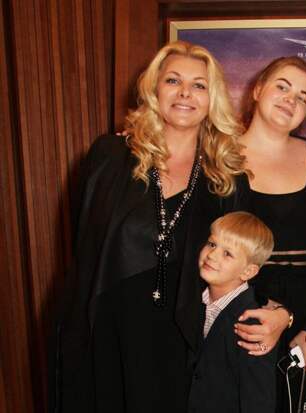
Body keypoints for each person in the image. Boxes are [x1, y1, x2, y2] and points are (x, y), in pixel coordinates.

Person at [53, 41, 288, 413]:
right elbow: (84, 252)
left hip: (186, 345)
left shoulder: (227, 178)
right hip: (110, 336)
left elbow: (247, 263)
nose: (185, 93)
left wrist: (282, 314)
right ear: (154, 89)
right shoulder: (110, 156)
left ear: (212, 99)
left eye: (199, 85)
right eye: (173, 80)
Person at [233, 56, 306, 412]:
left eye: (302, 97)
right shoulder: (221, 155)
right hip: (241, 310)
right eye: (282, 87)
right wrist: (262, 311)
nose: (290, 100)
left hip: (304, 321)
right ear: (257, 89)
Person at [188, 211, 277, 413]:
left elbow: (258, 399)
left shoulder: (252, 325)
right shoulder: (193, 302)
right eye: (212, 244)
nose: (212, 255)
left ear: (248, 271)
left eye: (227, 253)